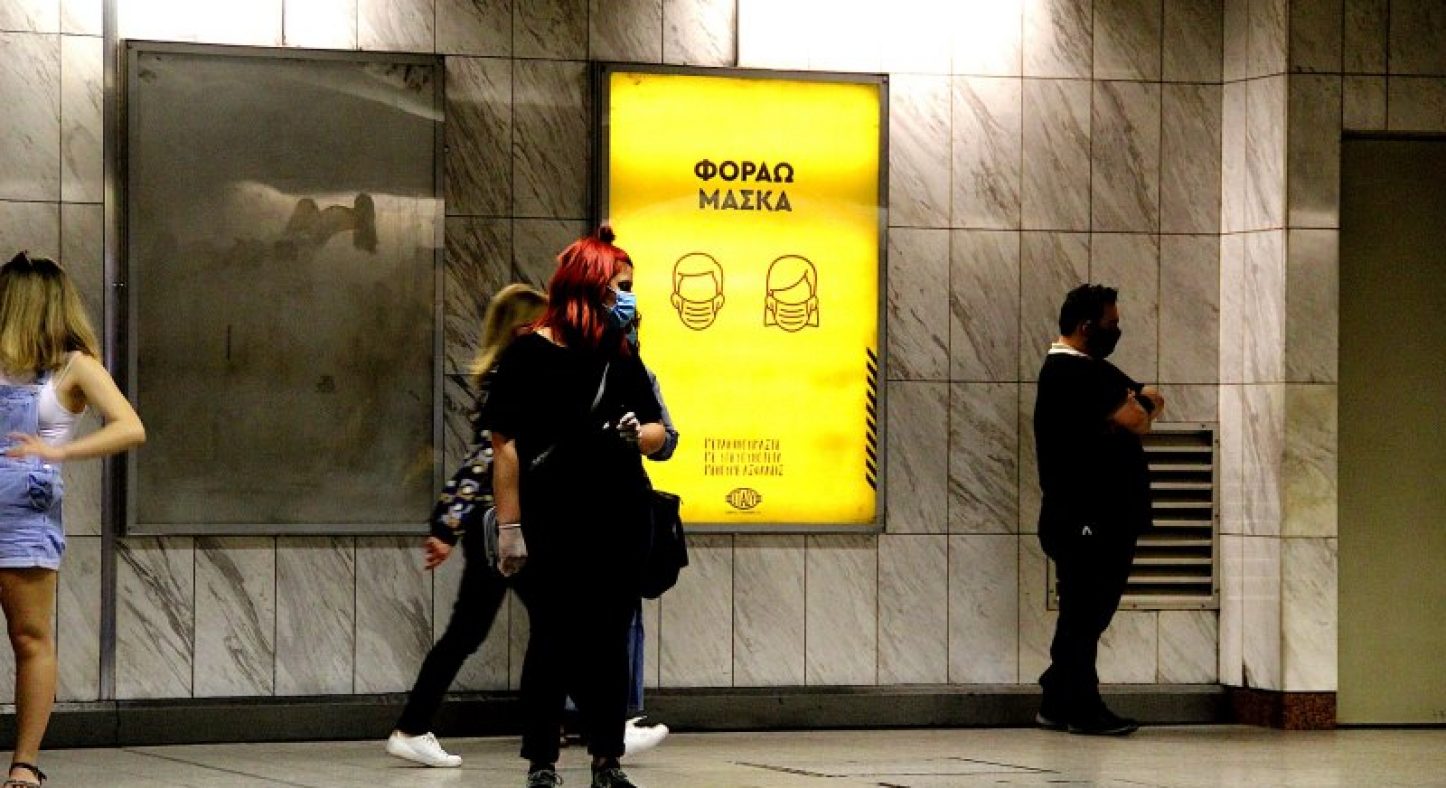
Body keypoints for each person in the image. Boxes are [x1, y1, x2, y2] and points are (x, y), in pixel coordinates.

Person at [483, 227, 666, 788]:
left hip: (620, 516)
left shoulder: (620, 353)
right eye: (621, 286)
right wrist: (510, 527)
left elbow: (660, 430)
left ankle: (608, 761)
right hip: (552, 520)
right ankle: (542, 761)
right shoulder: (527, 355)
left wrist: (640, 434)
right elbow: (505, 446)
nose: (629, 298)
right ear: (590, 287)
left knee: (610, 643)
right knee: (552, 640)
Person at [0, 252, 146, 788]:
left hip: (26, 518)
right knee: (30, 639)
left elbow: (130, 426)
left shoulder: (73, 366)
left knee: (29, 637)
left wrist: (59, 451)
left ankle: (24, 765)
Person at [385, 283, 547, 768]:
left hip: (497, 524)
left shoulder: (509, 374)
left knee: (493, 628)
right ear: (523, 329)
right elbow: (481, 461)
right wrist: (446, 527)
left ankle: (412, 726)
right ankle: (411, 727)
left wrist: (448, 527)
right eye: (544, 325)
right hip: (500, 527)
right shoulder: (513, 379)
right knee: (538, 623)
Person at [1033, 284, 1163, 737]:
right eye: (1112, 324)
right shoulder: (1072, 374)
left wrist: (1132, 410)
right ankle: (1082, 706)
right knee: (1086, 615)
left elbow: (1150, 399)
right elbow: (1140, 417)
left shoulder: (1091, 370)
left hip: (1094, 514)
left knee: (1083, 613)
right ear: (1087, 326)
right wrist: (1130, 413)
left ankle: (1057, 698)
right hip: (1086, 516)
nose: (1117, 331)